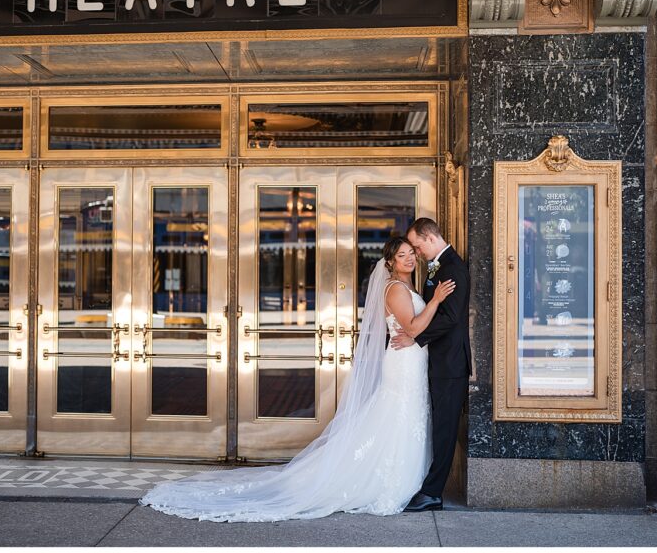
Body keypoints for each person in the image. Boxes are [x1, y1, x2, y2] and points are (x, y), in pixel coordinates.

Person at [139, 236, 455, 521]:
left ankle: (407, 478)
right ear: (391, 262)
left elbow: (413, 330)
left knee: (405, 417)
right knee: (398, 416)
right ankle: (386, 480)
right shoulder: (397, 289)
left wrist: (422, 319)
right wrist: (437, 301)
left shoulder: (410, 287)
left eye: (412, 253)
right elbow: (412, 328)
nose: (410, 258)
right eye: (403, 255)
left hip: (411, 360)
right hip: (403, 364)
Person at [391, 218, 471, 512]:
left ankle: (433, 493)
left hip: (450, 363)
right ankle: (429, 487)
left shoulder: (453, 268)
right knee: (440, 426)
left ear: (428, 238)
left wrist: (416, 336)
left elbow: (451, 318)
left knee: (446, 429)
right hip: (437, 361)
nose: (415, 252)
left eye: (416, 246)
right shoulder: (439, 266)